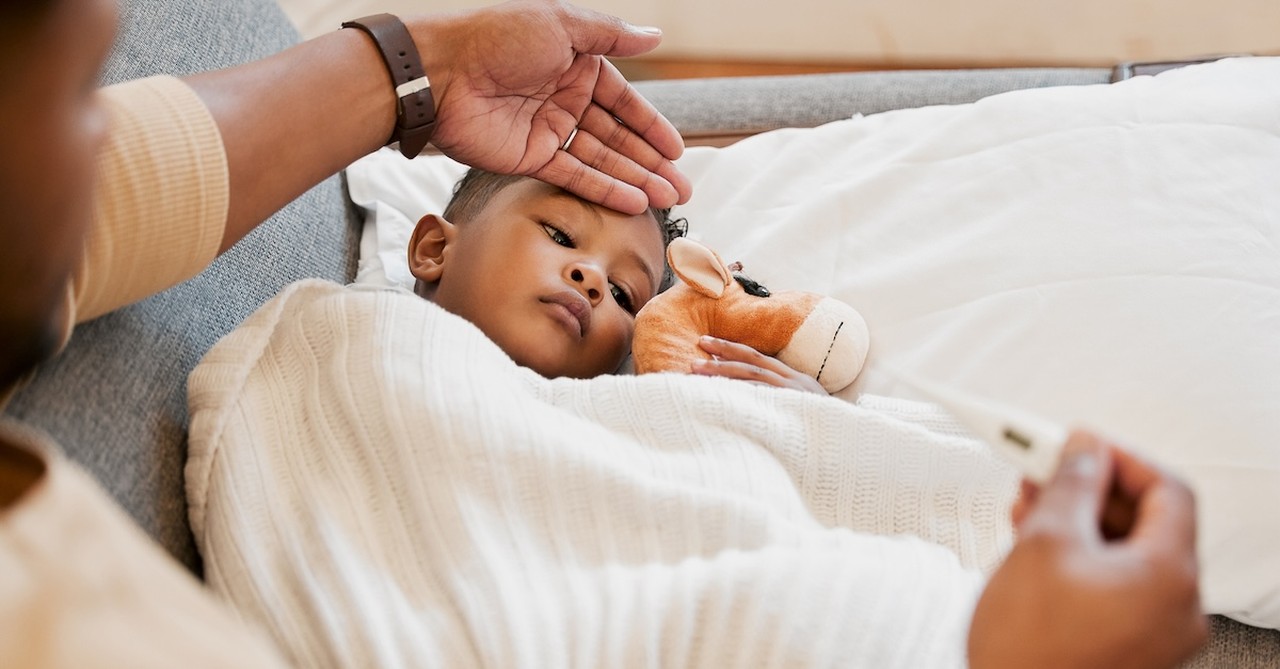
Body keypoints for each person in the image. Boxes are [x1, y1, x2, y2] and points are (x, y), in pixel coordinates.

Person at [0, 0, 1206, 666]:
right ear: (428, 249)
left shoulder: (617, 402)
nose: (596, 281)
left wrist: (422, 64)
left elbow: (692, 492)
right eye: (78, 95)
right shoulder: (339, 351)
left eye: (629, 293)